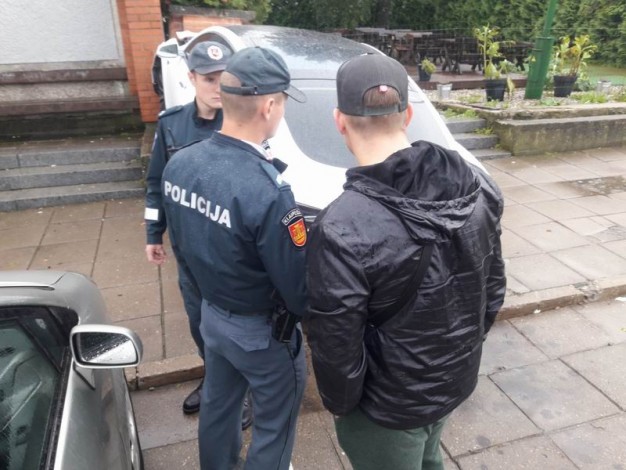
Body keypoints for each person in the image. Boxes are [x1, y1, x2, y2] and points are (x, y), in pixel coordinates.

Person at [305, 53, 506, 470]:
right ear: (408, 114)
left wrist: (344, 407)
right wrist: (457, 358)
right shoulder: (480, 188)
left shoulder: (341, 227)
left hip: (387, 408)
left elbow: (337, 344)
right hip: (452, 382)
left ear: (339, 120)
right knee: (430, 458)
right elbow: (493, 289)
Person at [161, 46, 308, 470]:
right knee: (275, 425)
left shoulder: (181, 163)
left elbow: (182, 248)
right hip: (260, 334)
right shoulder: (268, 191)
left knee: (219, 405)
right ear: (269, 106)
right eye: (282, 103)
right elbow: (298, 289)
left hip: (212, 316)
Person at [143, 40, 252, 425]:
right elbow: (156, 183)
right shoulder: (172, 124)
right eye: (209, 79)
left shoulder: (243, 123)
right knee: (198, 320)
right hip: (189, 250)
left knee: (234, 324)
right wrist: (153, 233)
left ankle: (241, 391)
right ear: (191, 78)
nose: (218, 87)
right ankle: (214, 379)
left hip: (230, 252)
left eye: (224, 79)